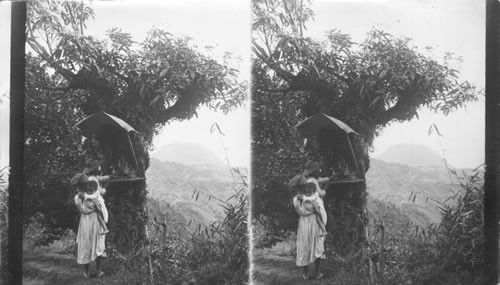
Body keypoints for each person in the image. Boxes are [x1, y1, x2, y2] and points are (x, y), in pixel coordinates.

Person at [71, 173, 106, 278]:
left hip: (85, 221)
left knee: (86, 243)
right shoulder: (95, 193)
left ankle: (87, 272)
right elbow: (100, 204)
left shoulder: (77, 198)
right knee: (97, 243)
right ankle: (98, 270)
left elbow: (81, 210)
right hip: (95, 219)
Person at [293, 185, 326, 280]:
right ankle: (307, 273)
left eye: (309, 192)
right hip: (305, 223)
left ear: (314, 191)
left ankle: (317, 273)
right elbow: (297, 205)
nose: (307, 194)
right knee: (305, 246)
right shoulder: (299, 199)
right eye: (306, 192)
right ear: (303, 192)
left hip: (313, 222)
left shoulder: (315, 199)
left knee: (316, 246)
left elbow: (320, 211)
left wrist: (317, 210)